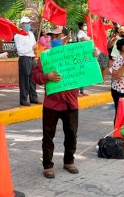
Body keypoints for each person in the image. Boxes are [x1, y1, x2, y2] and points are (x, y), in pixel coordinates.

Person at [32, 26, 91, 179]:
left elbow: (89, 67)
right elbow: (36, 77)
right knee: (48, 136)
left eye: (57, 36)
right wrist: (47, 76)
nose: (54, 39)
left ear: (66, 37)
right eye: (52, 36)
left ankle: (69, 161)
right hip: (51, 103)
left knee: (71, 134)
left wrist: (93, 55)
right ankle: (47, 165)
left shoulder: (75, 54)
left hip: (71, 103)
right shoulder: (45, 56)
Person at [14, 16, 41, 106]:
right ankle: (24, 99)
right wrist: (31, 48)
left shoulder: (31, 34)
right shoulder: (18, 35)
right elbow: (20, 50)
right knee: (24, 80)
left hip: (32, 58)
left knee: (33, 79)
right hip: (24, 58)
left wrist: (35, 49)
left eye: (29, 23)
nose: (28, 25)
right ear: (22, 24)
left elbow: (34, 46)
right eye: (26, 23)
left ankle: (34, 97)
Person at [77, 22, 90, 96]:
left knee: (83, 72)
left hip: (85, 54)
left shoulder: (85, 32)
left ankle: (81, 90)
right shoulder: (80, 32)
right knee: (80, 72)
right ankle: (78, 91)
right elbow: (81, 39)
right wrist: (88, 40)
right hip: (81, 54)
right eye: (84, 25)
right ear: (81, 26)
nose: (86, 26)